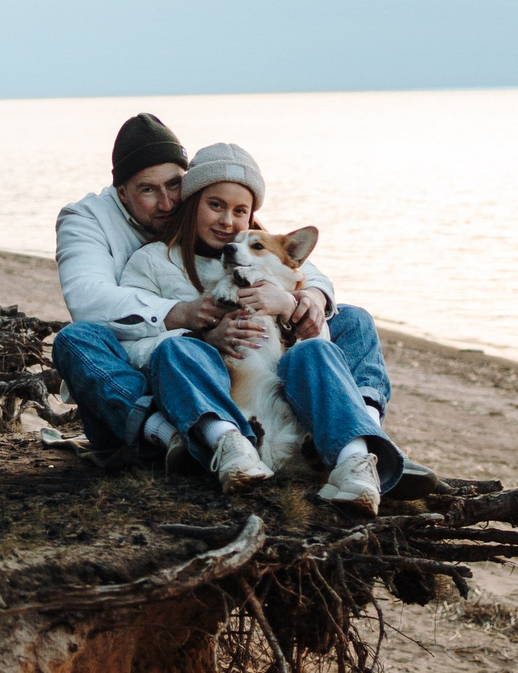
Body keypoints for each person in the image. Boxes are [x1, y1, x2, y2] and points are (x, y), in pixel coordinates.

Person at [52, 114, 396, 471]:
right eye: (148, 190)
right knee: (80, 340)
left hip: (248, 373)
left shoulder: (234, 238)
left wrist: (302, 301)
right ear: (122, 192)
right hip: (163, 373)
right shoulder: (99, 228)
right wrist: (191, 324)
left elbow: (286, 258)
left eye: (174, 186)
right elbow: (90, 301)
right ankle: (172, 435)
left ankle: (366, 437)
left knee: (353, 319)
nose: (168, 203)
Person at [116, 143, 406, 510]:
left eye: (240, 211)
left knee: (350, 322)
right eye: (215, 205)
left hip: (285, 369)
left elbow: (304, 275)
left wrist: (294, 303)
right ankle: (230, 443)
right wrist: (199, 331)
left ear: (252, 216)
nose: (227, 222)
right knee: (176, 350)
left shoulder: (259, 249)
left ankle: (363, 446)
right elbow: (131, 340)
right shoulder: (153, 261)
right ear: (192, 203)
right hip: (217, 372)